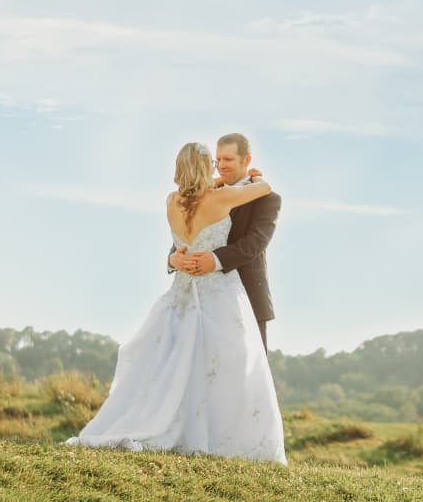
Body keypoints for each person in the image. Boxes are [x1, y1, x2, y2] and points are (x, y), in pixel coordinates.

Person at [66, 141, 286, 464]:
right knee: (228, 368)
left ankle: (173, 425)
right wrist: (256, 176)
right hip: (218, 294)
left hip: (181, 295)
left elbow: (187, 245)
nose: (218, 166)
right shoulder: (222, 197)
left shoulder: (171, 201)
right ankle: (218, 437)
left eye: (225, 160)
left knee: (174, 366)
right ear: (205, 166)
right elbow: (264, 187)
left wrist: (176, 259)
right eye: (214, 161)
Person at [169, 133, 281, 352]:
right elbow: (183, 239)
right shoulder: (200, 195)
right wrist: (173, 259)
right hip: (193, 300)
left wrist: (216, 260)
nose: (221, 165)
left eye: (228, 160)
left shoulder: (267, 199)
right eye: (218, 159)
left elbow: (256, 243)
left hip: (246, 298)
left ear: (246, 161)